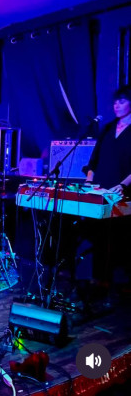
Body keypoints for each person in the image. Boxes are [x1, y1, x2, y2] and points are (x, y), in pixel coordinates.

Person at [80, 85, 131, 297]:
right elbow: (94, 160)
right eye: (115, 102)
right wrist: (89, 181)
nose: (116, 105)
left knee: (120, 238)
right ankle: (97, 281)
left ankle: (118, 285)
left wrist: (124, 184)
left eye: (122, 101)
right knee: (98, 236)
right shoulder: (108, 128)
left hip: (122, 192)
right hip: (101, 191)